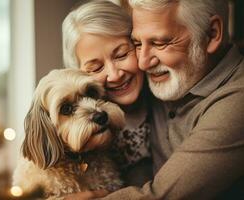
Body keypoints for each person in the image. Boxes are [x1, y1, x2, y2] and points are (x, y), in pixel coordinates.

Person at [66, 0, 244, 199]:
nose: (143, 62)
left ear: (211, 34)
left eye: (160, 43)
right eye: (137, 44)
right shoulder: (164, 79)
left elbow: (161, 196)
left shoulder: (236, 100)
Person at [62, 0, 153, 188]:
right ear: (77, 73)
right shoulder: (78, 129)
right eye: (96, 68)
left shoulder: (167, 98)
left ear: (138, 44)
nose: (115, 75)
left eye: (121, 55)